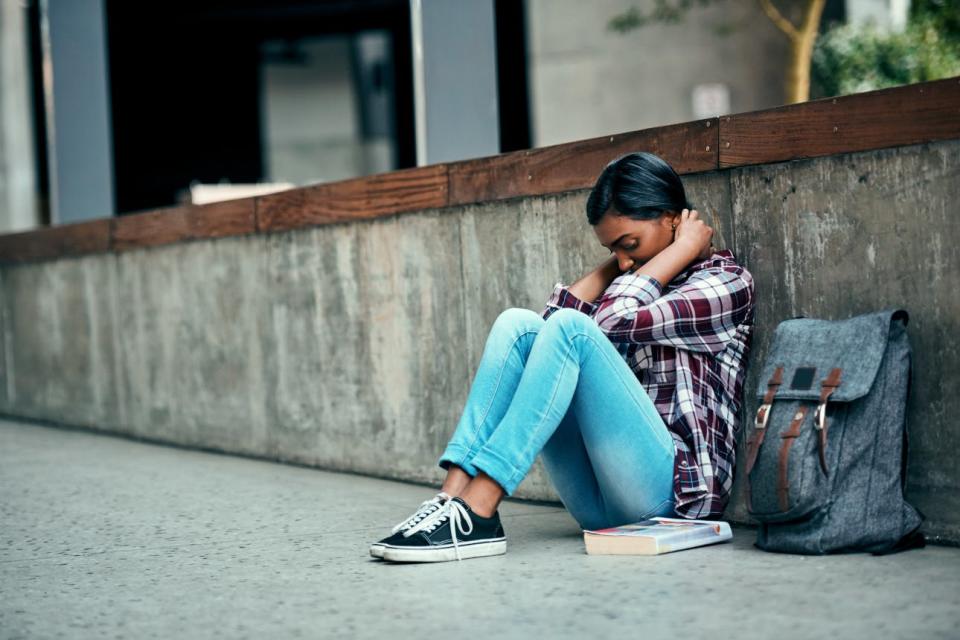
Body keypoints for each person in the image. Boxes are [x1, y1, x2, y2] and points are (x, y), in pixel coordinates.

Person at [370, 151, 755, 563]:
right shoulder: (632, 280)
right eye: (613, 251)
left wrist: (678, 253)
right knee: (517, 326)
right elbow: (541, 338)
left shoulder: (723, 283)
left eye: (629, 245)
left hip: (674, 502)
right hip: (598, 505)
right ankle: (452, 500)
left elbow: (609, 319)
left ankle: (480, 508)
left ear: (672, 219)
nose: (624, 261)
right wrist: (622, 261)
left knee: (574, 329)